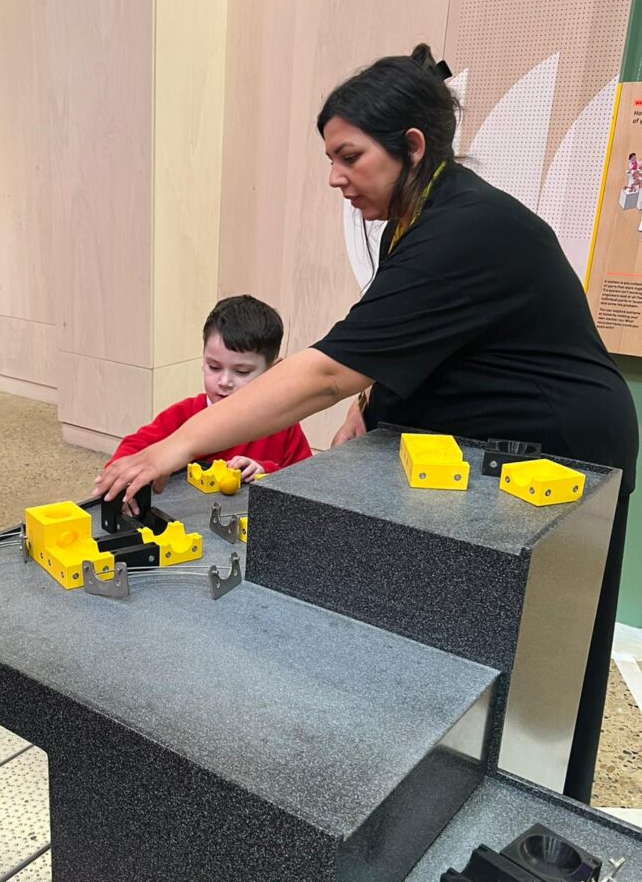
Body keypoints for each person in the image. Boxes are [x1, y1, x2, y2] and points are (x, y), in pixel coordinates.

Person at [95, 43, 638, 804]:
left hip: (562, 446)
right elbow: (393, 341)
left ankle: (526, 799)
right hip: (470, 438)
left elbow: (325, 370)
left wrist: (171, 448)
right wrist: (366, 413)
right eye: (330, 157)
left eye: (348, 156)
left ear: (411, 146)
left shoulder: (467, 227)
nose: (334, 177)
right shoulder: (412, 220)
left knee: (539, 655)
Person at [106, 295, 311, 484]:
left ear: (273, 372)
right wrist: (123, 486)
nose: (224, 381)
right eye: (214, 367)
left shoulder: (284, 424)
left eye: (241, 372)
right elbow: (131, 450)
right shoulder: (183, 415)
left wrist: (266, 471)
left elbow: (306, 481)